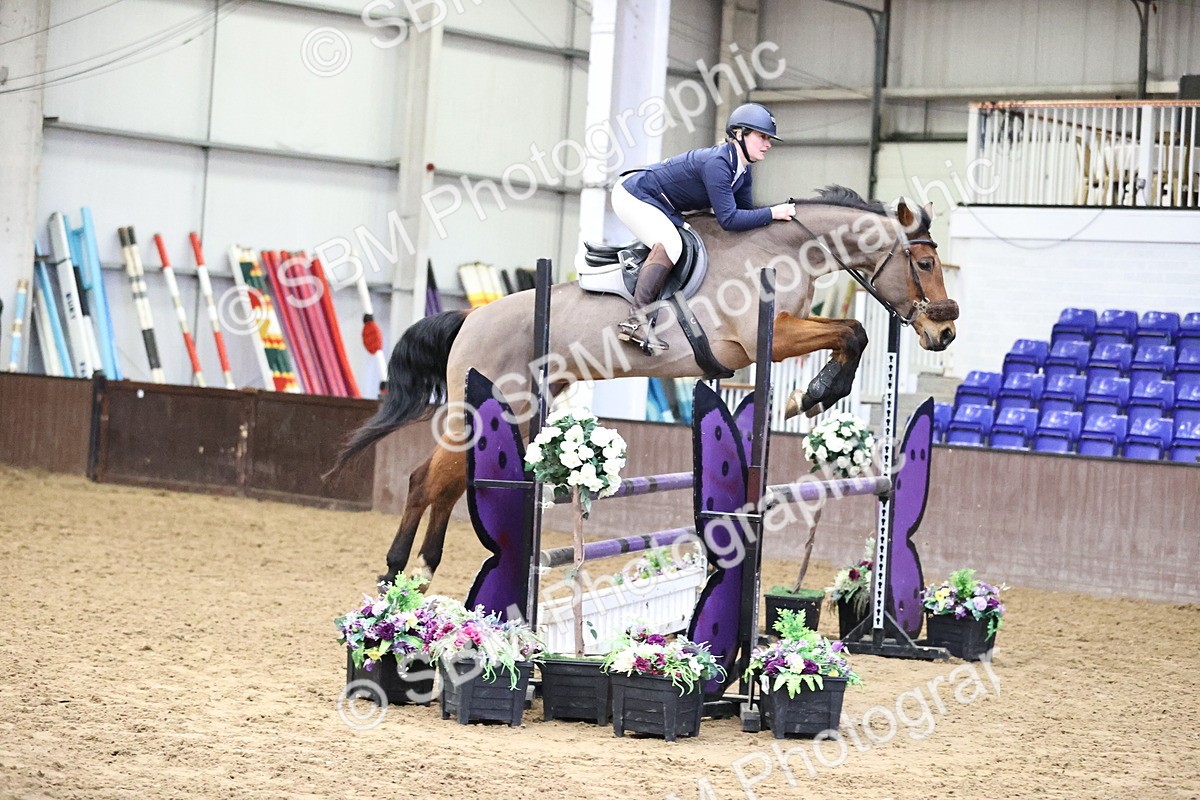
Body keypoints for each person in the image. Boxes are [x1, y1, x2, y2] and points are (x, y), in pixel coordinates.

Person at [611, 102, 796, 353]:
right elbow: (729, 220)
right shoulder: (718, 163)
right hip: (634, 194)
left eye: (768, 138)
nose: (768, 143)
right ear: (740, 134)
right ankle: (635, 320)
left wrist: (772, 219)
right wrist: (774, 212)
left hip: (660, 202)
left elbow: (746, 217)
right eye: (762, 136)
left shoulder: (742, 171)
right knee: (672, 244)